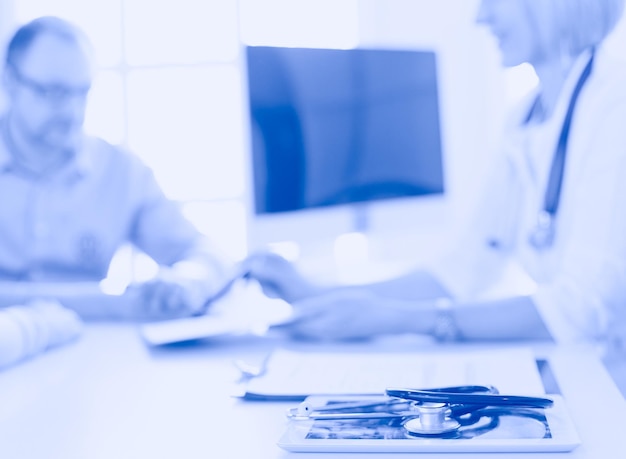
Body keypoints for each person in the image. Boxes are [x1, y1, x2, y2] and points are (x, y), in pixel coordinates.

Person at [243, 0, 626, 345]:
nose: (481, 17)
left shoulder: (614, 106)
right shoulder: (525, 117)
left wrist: (403, 320)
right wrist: (316, 295)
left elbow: (584, 308)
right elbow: (462, 268)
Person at [0, 16, 232, 325]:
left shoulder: (121, 172)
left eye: (81, 92)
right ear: (10, 81)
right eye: (52, 92)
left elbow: (203, 251)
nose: (71, 111)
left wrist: (187, 281)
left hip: (84, 353)